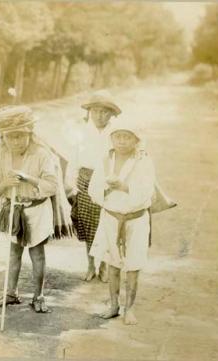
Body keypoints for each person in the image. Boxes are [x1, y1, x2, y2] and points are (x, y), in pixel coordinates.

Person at [0, 105, 59, 313]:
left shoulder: (41, 154)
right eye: (10, 137)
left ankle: (38, 296)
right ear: (3, 137)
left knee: (37, 253)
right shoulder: (0, 155)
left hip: (36, 210)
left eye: (20, 136)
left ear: (30, 133)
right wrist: (5, 184)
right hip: (12, 208)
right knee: (13, 252)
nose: (15, 141)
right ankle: (11, 292)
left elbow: (52, 186)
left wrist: (28, 178)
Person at [88, 118, 155, 325]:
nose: (122, 141)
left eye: (127, 137)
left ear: (136, 140)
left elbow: (147, 193)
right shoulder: (105, 160)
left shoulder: (143, 161)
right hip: (111, 218)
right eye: (118, 137)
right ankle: (114, 305)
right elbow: (93, 190)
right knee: (113, 264)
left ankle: (130, 308)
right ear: (112, 139)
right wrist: (107, 187)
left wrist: (124, 186)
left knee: (133, 265)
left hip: (135, 220)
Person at [65, 90, 121, 282]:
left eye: (105, 112)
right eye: (96, 111)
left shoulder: (116, 133)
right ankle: (90, 265)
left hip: (107, 181)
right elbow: (73, 160)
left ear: (112, 114)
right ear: (89, 112)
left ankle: (104, 265)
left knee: (106, 225)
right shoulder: (81, 131)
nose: (99, 115)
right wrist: (70, 186)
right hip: (85, 180)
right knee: (88, 225)